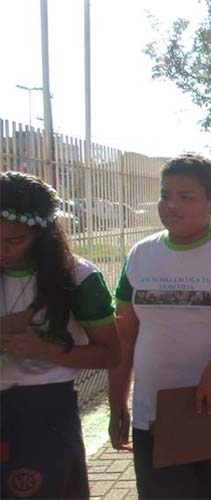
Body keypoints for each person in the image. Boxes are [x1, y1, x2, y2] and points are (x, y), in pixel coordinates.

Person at [108, 155, 211, 499]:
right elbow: (125, 335)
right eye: (165, 195)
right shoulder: (140, 255)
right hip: (154, 413)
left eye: (186, 197)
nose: (172, 206)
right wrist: (118, 401)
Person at [0, 171, 119, 499]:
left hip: (42, 410)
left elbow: (111, 353)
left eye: (14, 241)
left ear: (42, 233)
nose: (3, 250)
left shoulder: (77, 276)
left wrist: (44, 351)